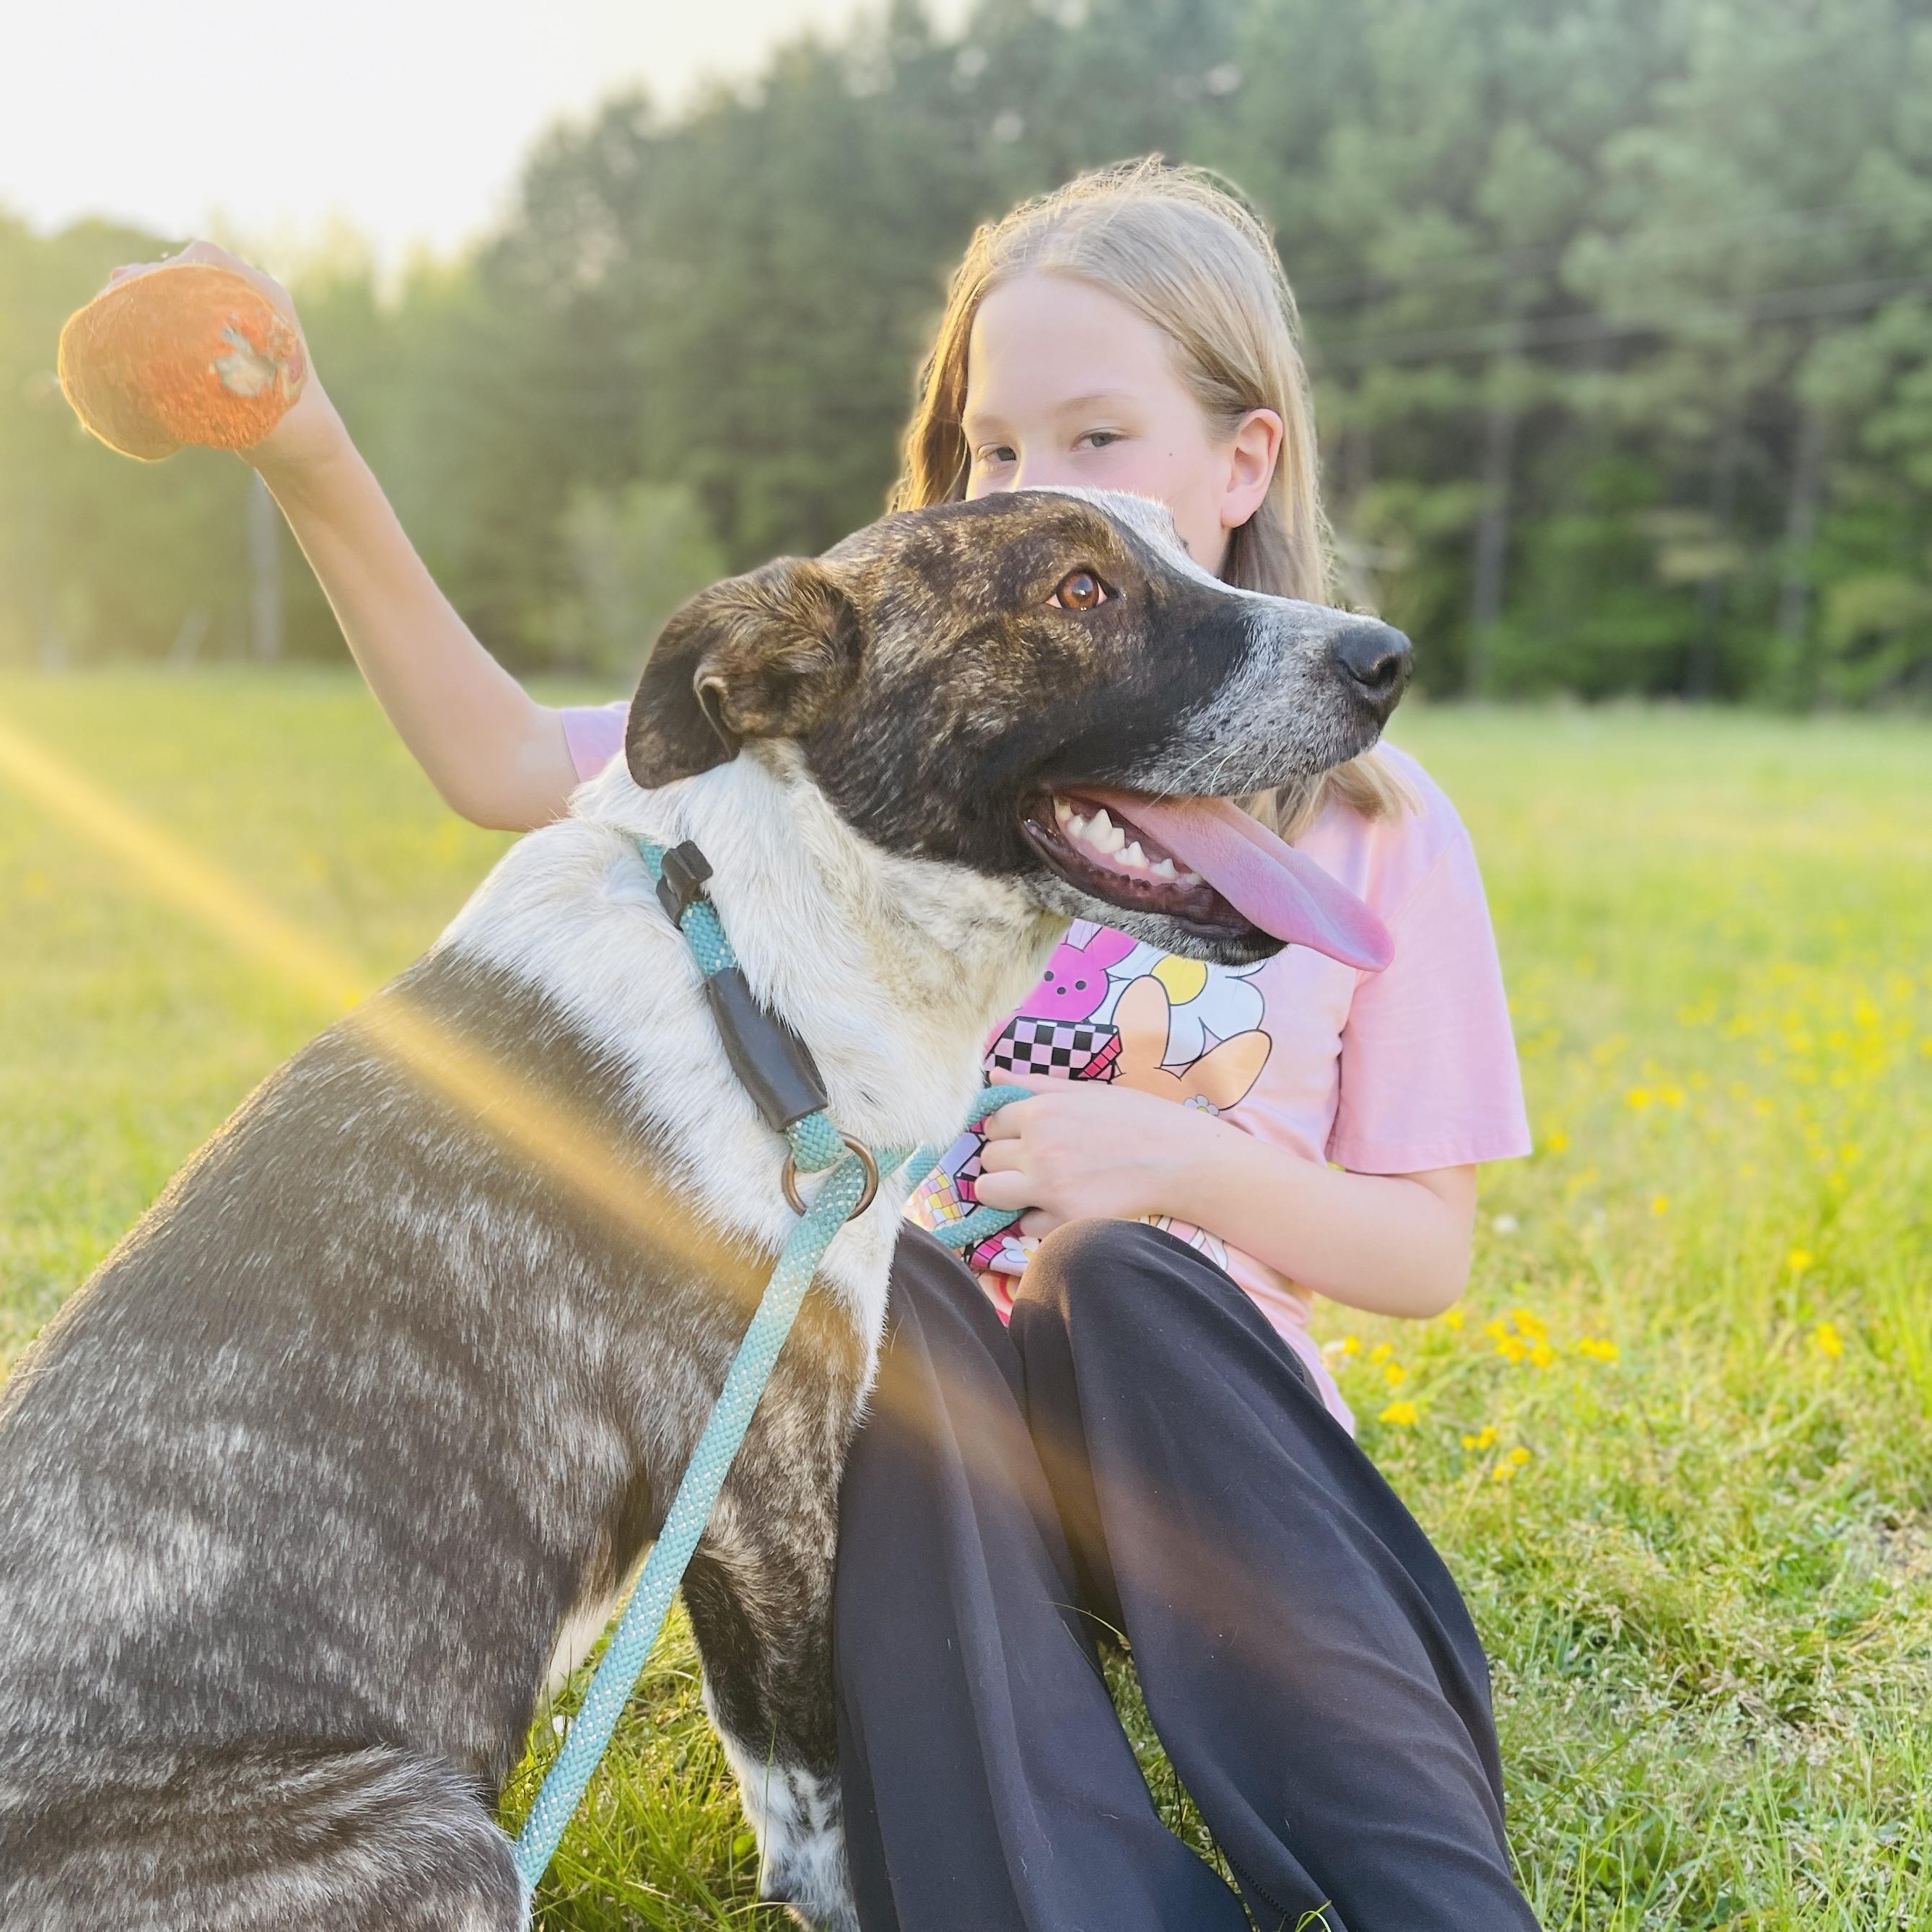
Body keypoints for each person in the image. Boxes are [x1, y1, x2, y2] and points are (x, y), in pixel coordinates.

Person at [121, 157, 1542, 1931]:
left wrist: (1172, 1170)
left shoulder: (1380, 833)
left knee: (1135, 1285)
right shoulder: (852, 742)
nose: (1029, 487)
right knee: (890, 1307)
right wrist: (307, 445)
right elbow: (508, 762)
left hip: (1202, 1457)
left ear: (1239, 464)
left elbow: (1426, 1244)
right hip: (938, 1474)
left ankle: (1442, 1905)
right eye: (990, 449)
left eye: (1095, 440)